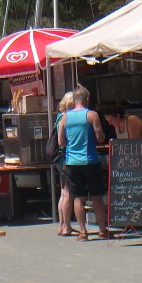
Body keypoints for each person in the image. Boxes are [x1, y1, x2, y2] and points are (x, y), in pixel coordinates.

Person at [58, 85, 108, 241]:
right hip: (90, 161)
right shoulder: (92, 115)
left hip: (72, 162)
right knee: (96, 196)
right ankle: (102, 230)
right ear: (87, 99)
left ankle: (82, 231)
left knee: (78, 198)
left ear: (74, 100)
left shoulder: (65, 117)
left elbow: (61, 141)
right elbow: (100, 137)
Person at [54, 92, 76, 237]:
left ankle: (62, 225)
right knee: (68, 193)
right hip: (66, 156)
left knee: (63, 193)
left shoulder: (59, 116)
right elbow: (64, 140)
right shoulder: (66, 117)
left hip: (60, 157)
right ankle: (66, 226)